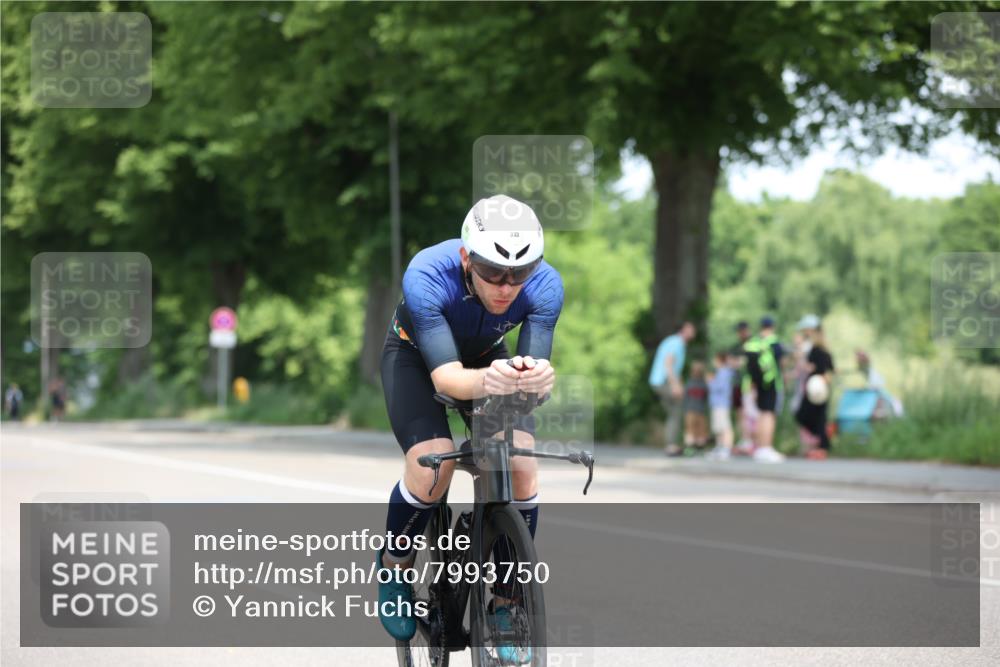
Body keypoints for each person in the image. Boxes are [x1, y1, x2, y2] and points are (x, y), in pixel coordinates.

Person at [377, 194, 562, 663]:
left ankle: (505, 598)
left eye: (519, 274)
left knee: (520, 461)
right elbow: (447, 379)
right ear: (466, 258)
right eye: (492, 272)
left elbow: (530, 374)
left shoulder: (545, 286)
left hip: (485, 358)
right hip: (418, 359)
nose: (506, 286)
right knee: (431, 463)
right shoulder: (426, 274)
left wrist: (536, 380)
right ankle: (394, 566)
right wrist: (494, 380)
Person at [649, 321, 697, 456]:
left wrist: (679, 383)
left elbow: (675, 368)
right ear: (683, 330)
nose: (693, 331)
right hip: (663, 381)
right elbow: (668, 364)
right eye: (690, 328)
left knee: (673, 412)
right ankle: (672, 445)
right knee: (676, 410)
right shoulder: (677, 342)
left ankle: (673, 443)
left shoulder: (676, 342)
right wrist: (675, 386)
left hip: (661, 381)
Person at [742, 316, 785, 463]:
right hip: (771, 383)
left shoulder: (753, 342)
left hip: (757, 384)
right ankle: (767, 447)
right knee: (769, 414)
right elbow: (781, 363)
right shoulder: (774, 342)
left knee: (761, 414)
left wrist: (754, 384)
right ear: (772, 326)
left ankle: (760, 448)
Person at [795, 322, 835, 460]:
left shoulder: (820, 351)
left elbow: (827, 370)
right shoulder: (818, 350)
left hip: (818, 389)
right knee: (809, 416)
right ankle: (822, 439)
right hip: (814, 388)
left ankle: (822, 446)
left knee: (817, 417)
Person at [706, 352, 736, 460]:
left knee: (725, 427)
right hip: (717, 403)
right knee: (718, 427)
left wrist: (710, 381)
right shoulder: (721, 372)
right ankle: (719, 447)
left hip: (721, 403)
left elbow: (719, 388)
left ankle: (726, 449)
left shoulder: (724, 372)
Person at [682, 360, 710, 449]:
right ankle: (699, 446)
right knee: (700, 429)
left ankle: (690, 446)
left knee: (690, 429)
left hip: (690, 409)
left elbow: (685, 396)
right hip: (700, 409)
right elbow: (706, 396)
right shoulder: (704, 384)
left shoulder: (689, 383)